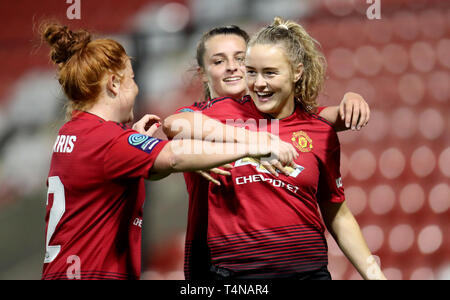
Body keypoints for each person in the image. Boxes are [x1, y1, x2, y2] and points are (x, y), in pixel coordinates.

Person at [39, 23, 297, 280]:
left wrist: (135, 142)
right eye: (132, 79)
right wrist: (256, 145)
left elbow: (149, 170)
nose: (137, 87)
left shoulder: (72, 133)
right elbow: (174, 156)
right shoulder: (108, 140)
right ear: (114, 84)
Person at [164, 18, 385, 279]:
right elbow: (175, 124)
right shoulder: (224, 113)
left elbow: (337, 212)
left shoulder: (318, 129)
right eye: (252, 72)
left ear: (297, 72)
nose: (258, 83)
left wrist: (374, 275)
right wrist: (254, 142)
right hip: (237, 274)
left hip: (309, 272)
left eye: (269, 73)